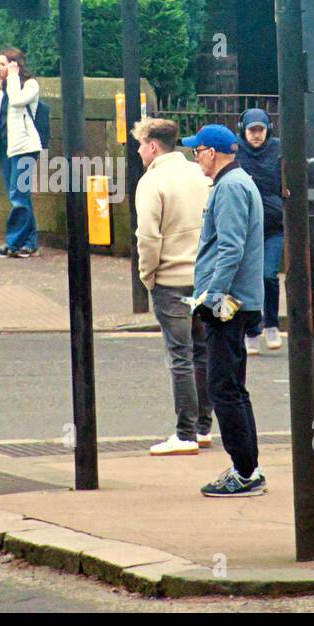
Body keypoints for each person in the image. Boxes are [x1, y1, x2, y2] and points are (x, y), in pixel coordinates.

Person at [180, 124, 266, 497]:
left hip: (227, 305)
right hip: (240, 300)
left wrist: (212, 296)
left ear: (211, 153)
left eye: (196, 151)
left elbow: (230, 248)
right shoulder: (240, 181)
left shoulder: (230, 187)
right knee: (232, 388)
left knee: (222, 388)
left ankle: (244, 473)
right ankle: (247, 467)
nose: (195, 156)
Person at [133, 118, 215, 457]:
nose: (138, 151)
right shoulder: (199, 174)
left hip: (170, 279)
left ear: (154, 146)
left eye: (140, 145)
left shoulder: (151, 182)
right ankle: (203, 427)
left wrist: (147, 276)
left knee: (179, 356)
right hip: (203, 277)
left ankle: (184, 434)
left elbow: (148, 238)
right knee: (201, 352)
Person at [0, 47, 41, 258]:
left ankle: (13, 243)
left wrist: (14, 77)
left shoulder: (30, 84)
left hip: (25, 148)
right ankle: (30, 243)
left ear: (15, 64)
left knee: (18, 196)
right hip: (6, 148)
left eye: (4, 64)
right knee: (18, 196)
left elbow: (17, 101)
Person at [236, 108, 284, 354]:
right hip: (245, 229)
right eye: (251, 130)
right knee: (248, 281)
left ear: (268, 131)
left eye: (260, 130)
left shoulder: (279, 150)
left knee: (268, 276)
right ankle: (252, 332)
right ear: (243, 131)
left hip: (273, 228)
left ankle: (272, 324)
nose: (256, 135)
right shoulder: (235, 152)